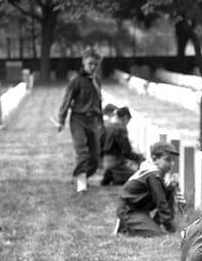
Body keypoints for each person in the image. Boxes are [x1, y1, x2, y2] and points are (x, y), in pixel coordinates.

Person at [57, 47, 103, 193]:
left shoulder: (97, 81)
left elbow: (99, 102)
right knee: (81, 150)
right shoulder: (76, 81)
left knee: (95, 157)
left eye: (96, 64)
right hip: (78, 119)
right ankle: (81, 183)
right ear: (83, 62)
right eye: (90, 64)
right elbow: (67, 99)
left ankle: (81, 175)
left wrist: (101, 121)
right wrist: (61, 120)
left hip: (93, 121)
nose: (93, 67)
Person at [114, 141, 178, 236]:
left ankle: (153, 223)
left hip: (140, 208)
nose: (172, 164)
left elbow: (163, 196)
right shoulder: (153, 175)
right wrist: (171, 228)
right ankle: (125, 226)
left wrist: (171, 187)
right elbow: (161, 202)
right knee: (154, 233)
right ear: (155, 159)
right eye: (167, 160)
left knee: (169, 191)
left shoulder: (155, 172)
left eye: (173, 160)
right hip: (128, 209)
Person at [101, 107, 142, 185]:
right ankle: (114, 174)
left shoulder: (107, 126)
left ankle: (112, 174)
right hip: (116, 162)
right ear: (126, 117)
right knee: (136, 177)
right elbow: (126, 152)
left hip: (105, 160)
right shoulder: (120, 129)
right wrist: (139, 158)